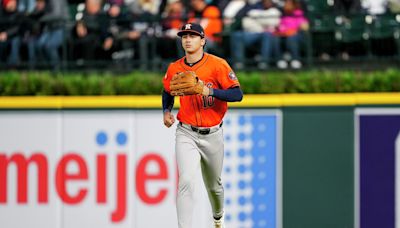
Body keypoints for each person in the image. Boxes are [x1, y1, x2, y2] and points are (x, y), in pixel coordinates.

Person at [162, 23, 243, 228]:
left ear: (203, 41)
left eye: (193, 35)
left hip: (213, 133)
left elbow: (237, 94)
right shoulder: (174, 67)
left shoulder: (218, 64)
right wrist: (166, 111)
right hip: (186, 131)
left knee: (214, 186)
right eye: (184, 36)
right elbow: (167, 90)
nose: (187, 39)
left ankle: (218, 217)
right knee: (186, 181)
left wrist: (210, 92)